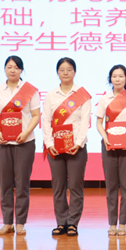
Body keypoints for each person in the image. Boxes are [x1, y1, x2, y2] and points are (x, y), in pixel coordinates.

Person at [0, 56, 40, 236]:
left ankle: (21, 223)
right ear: (4, 69)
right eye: (9, 67)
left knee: (23, 183)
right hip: (2, 143)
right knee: (5, 184)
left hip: (25, 142)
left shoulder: (29, 91)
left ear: (21, 70)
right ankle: (7, 222)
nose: (12, 70)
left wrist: (26, 132)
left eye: (16, 67)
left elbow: (35, 115)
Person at [42, 57, 92, 237]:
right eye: (62, 70)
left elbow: (85, 121)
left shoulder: (82, 95)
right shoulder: (51, 95)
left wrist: (77, 143)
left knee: (76, 186)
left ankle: (73, 223)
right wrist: (49, 144)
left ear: (74, 72)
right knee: (58, 186)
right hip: (55, 148)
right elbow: (46, 120)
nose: (65, 73)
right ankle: (61, 222)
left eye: (69, 69)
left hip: (76, 147)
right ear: (57, 72)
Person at [96, 64, 126, 237]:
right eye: (114, 76)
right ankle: (112, 223)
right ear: (110, 79)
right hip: (109, 142)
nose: (117, 79)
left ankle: (123, 223)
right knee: (111, 185)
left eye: (121, 76)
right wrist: (105, 137)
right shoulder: (104, 99)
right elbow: (99, 122)